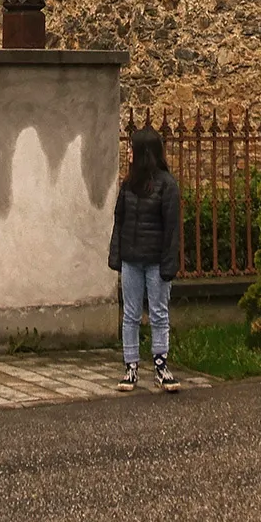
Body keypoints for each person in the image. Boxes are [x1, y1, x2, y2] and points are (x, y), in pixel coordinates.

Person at [108, 126, 182, 391]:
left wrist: (169, 264)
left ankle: (161, 368)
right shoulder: (128, 185)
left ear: (143, 152)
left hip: (155, 261)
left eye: (131, 148)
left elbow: (172, 228)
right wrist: (116, 256)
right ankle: (130, 368)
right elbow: (120, 221)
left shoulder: (167, 185)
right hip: (131, 259)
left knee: (159, 313)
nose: (127, 152)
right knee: (130, 314)